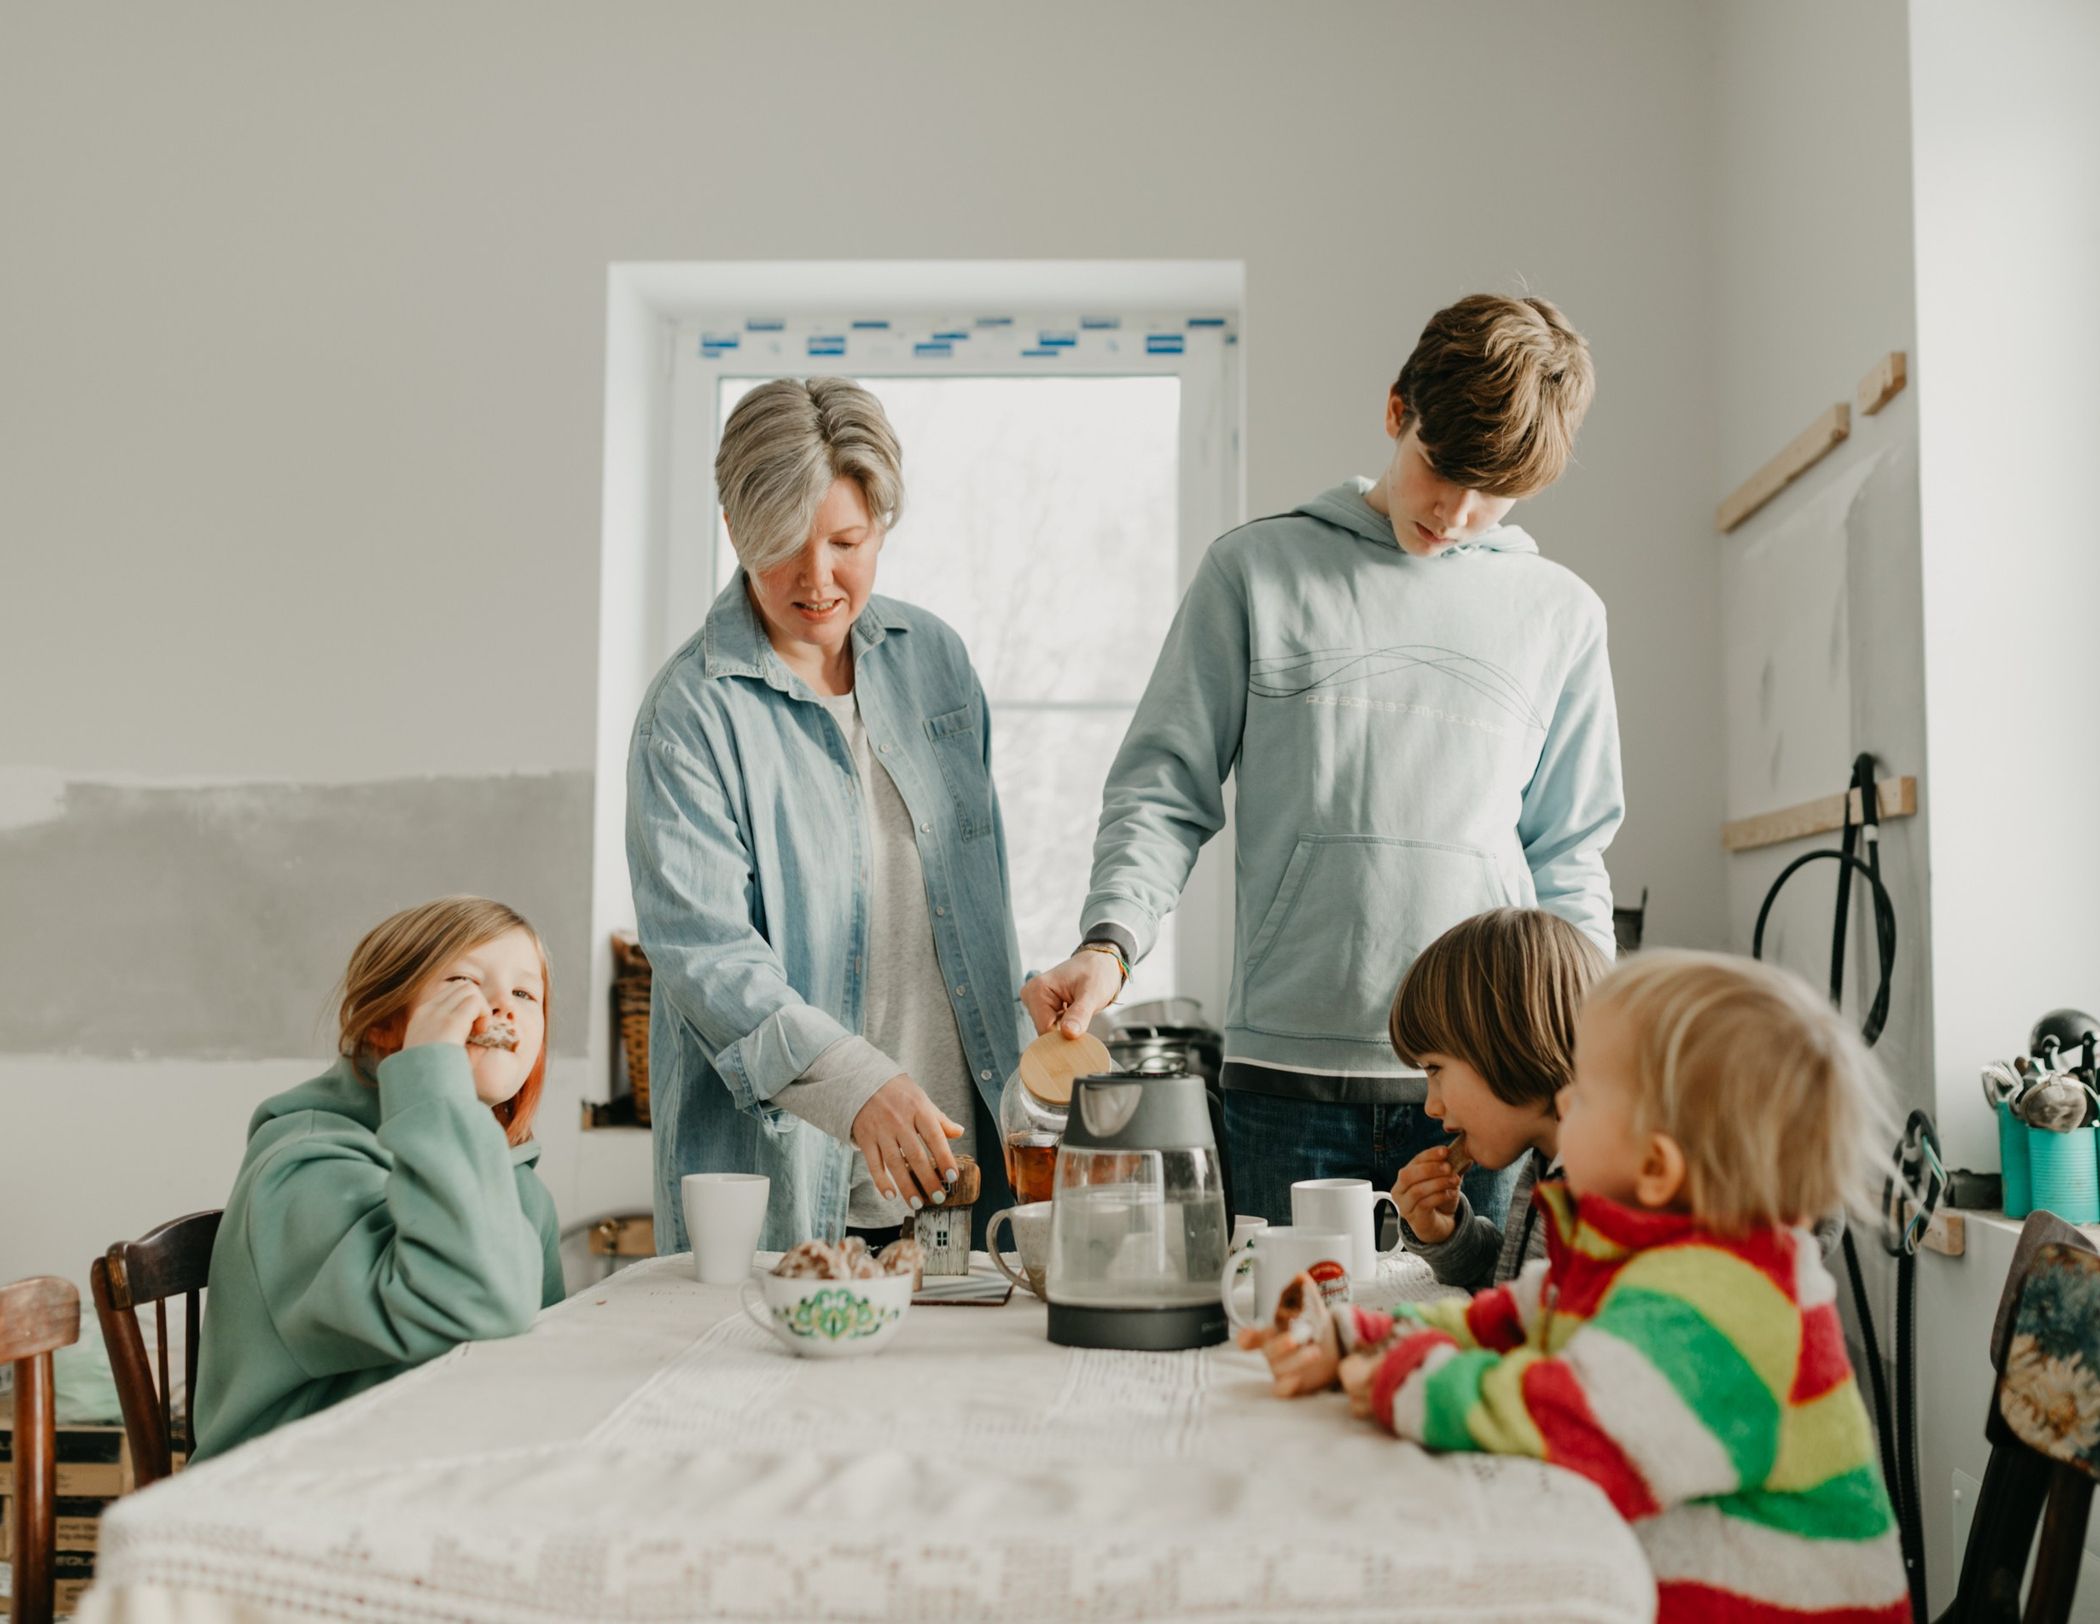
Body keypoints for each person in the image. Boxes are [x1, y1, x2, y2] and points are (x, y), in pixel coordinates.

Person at [1024, 294, 1624, 1227]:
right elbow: (1161, 787)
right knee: (1279, 1354)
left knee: (1480, 1358)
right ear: (1396, 412)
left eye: (1493, 492)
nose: (1458, 513)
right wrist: (1110, 944)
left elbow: (1571, 852)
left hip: (1491, 1089)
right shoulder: (1255, 573)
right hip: (1286, 1088)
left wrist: (1600, 1055)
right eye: (1442, 469)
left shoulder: (1562, 616)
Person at [1251, 952, 1910, 1624]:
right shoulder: (1639, 1256)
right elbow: (1507, 1318)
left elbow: (1575, 1425)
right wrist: (1357, 1332)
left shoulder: (1728, 1301)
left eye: (1587, 1093)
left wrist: (1408, 1377)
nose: (1564, 1100)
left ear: (1656, 1166)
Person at [628, 377, 1025, 1256]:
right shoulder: (690, 713)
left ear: (881, 523)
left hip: (958, 1182)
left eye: (846, 541)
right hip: (786, 1190)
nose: (817, 579)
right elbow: (707, 954)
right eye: (782, 544)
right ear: (733, 529)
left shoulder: (937, 665)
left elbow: (974, 909)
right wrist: (855, 1083)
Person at [195, 897, 564, 1460]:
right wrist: (435, 1079)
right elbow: (481, 1303)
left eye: (524, 993)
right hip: (286, 1499)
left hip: (426, 1471)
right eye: (463, 983)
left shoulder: (515, 1185)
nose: (500, 1009)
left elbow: (535, 1360)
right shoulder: (302, 1171)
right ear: (389, 1025)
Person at [1385, 907, 1609, 1292]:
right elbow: (1518, 1287)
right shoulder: (1548, 1164)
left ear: (1511, 1043)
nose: (1431, 1106)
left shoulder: (1605, 1194)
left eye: (1435, 1069)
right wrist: (1448, 1234)